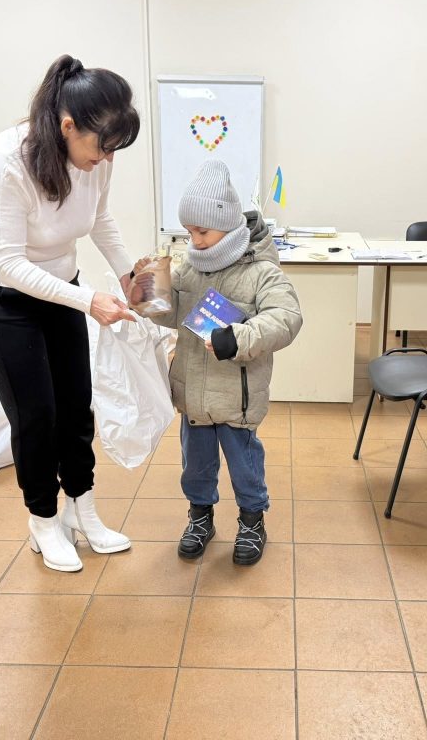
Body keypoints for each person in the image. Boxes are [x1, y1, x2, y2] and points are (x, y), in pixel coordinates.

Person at [0, 55, 140, 573]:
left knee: (75, 403)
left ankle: (83, 508)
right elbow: (10, 264)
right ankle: (43, 520)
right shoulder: (7, 161)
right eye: (101, 147)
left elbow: (100, 219)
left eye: (114, 149)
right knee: (35, 413)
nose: (106, 159)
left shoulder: (99, 157)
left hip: (60, 284)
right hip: (0, 294)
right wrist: (90, 301)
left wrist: (132, 277)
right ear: (67, 126)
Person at [143, 160, 302, 566]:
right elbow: (170, 314)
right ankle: (200, 518)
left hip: (237, 399)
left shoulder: (261, 271)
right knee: (195, 467)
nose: (194, 241)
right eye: (189, 232)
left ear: (228, 227)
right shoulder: (188, 270)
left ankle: (252, 521)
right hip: (194, 396)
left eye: (202, 232)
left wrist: (240, 337)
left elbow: (286, 318)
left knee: (245, 467)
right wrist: (147, 293)